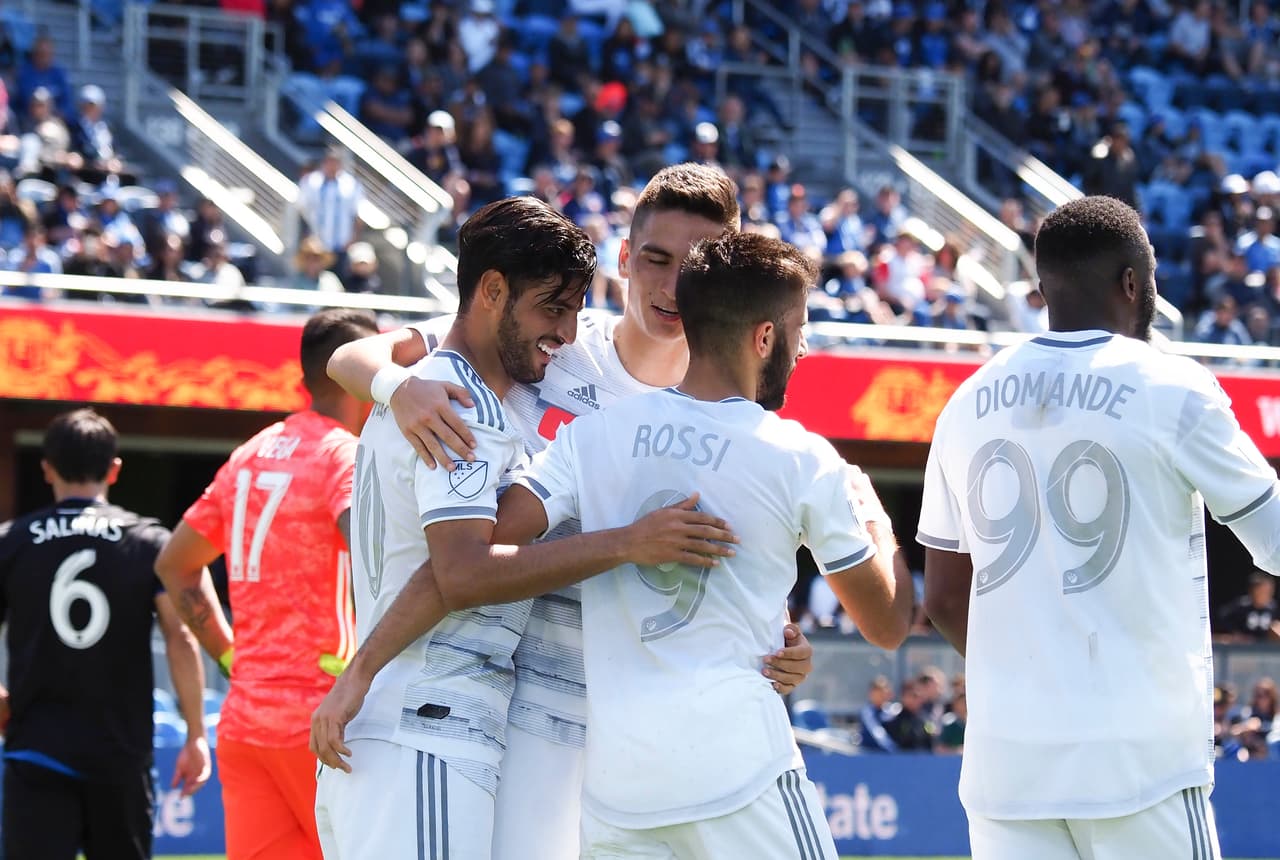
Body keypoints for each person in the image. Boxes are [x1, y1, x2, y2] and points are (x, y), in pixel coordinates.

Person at [317, 230, 908, 859]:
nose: (805, 345)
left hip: (619, 789)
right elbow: (890, 625)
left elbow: (466, 558)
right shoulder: (802, 455)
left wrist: (360, 669)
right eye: (801, 328)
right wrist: (876, 517)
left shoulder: (589, 438)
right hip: (737, 763)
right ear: (764, 337)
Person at [311, 196, 735, 860]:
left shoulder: (719, 408)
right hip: (444, 717)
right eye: (657, 259)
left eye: (697, 268)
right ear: (626, 258)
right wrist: (396, 386)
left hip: (564, 722)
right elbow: (461, 570)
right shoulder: (466, 398)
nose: (675, 284)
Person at [919, 196, 1280, 859]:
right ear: (1133, 283)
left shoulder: (966, 401)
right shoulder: (1173, 386)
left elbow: (941, 598)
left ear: (1041, 289)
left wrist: (1034, 673)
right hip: (1139, 761)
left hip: (1008, 768)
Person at [152, 309, 378, 860]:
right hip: (324, 723)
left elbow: (175, 565)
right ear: (353, 372)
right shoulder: (342, 454)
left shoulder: (249, 454)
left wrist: (232, 660)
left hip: (246, 721)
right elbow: (377, 558)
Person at [0, 409, 210, 860]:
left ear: (47, 468)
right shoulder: (150, 542)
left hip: (35, 749)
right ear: (115, 469)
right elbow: (181, 637)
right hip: (119, 756)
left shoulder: (11, 541)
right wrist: (195, 732)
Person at [1215, 570, 1279, 642]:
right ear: (1252, 591)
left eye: (1267, 591)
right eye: (1260, 591)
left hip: (1266, 647)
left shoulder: (1273, 608)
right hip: (1243, 647)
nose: (1264, 594)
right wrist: (1237, 634)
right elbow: (1223, 617)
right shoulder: (1241, 606)